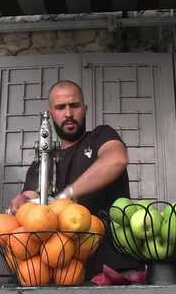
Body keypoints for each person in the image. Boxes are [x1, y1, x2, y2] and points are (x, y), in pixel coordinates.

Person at [9, 79, 143, 278]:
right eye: (60, 107)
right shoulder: (42, 163)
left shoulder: (101, 136)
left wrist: (67, 195)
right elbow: (30, 197)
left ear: (85, 108)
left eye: (74, 106)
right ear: (51, 113)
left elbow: (116, 159)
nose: (68, 114)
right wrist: (22, 203)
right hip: (63, 271)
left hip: (116, 267)